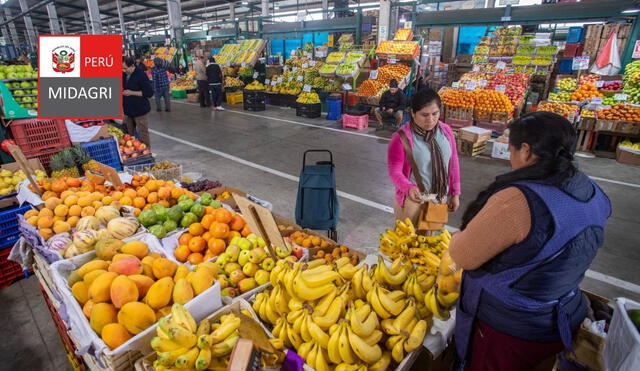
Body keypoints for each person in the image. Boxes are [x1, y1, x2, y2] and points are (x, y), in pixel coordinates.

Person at [450, 112, 611, 370]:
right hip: (563, 318)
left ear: (525, 151)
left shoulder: (517, 201)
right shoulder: (593, 191)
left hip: (511, 330)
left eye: (511, 149)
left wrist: (457, 239)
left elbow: (463, 255)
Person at [387, 89, 461, 226]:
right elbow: (394, 171)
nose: (431, 119)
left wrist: (455, 193)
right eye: (424, 115)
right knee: (409, 244)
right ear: (413, 114)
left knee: (433, 242)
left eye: (435, 113)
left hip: (439, 198)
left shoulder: (446, 131)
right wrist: (408, 187)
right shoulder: (401, 138)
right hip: (414, 200)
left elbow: (453, 163)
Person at [122, 56, 154, 147]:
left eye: (125, 68)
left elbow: (149, 92)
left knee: (143, 135)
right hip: (128, 111)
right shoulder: (124, 75)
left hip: (140, 111)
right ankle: (132, 156)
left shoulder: (141, 75)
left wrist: (131, 92)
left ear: (132, 66)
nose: (123, 70)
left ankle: (147, 154)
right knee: (128, 136)